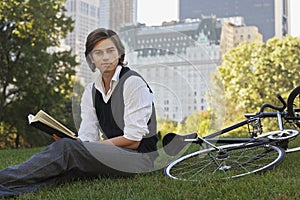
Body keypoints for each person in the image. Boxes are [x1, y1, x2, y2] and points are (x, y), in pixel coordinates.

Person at [0, 28, 158, 197]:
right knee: (67, 170)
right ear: (91, 58)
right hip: (114, 156)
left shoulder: (133, 83)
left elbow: (133, 140)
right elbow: (88, 136)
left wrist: (79, 147)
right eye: (98, 53)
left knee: (68, 150)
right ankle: (5, 191)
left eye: (110, 51)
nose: (105, 57)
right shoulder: (91, 91)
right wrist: (77, 141)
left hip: (140, 159)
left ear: (119, 54)